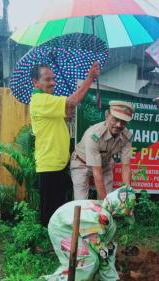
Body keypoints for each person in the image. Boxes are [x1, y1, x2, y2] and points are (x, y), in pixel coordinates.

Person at [36, 185, 136, 281]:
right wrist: (111, 280)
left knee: (97, 255)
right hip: (62, 228)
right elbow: (101, 250)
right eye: (123, 215)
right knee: (88, 260)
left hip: (71, 226)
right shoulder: (101, 218)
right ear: (116, 211)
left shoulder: (105, 210)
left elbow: (108, 247)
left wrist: (111, 277)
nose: (123, 219)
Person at [30, 62, 100, 227]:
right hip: (50, 164)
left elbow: (65, 111)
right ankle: (45, 245)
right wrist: (90, 78)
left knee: (58, 209)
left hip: (58, 162)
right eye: (47, 79)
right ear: (35, 82)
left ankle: (56, 240)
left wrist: (67, 114)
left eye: (53, 79)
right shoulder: (40, 99)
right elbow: (70, 103)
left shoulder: (47, 100)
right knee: (50, 212)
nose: (52, 82)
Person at [70, 100, 134, 200]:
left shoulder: (127, 137)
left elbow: (126, 166)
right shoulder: (94, 135)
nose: (118, 125)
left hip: (104, 165)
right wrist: (105, 203)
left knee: (107, 198)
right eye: (115, 119)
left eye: (123, 122)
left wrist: (127, 193)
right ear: (107, 115)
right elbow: (97, 173)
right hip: (81, 163)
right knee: (81, 202)